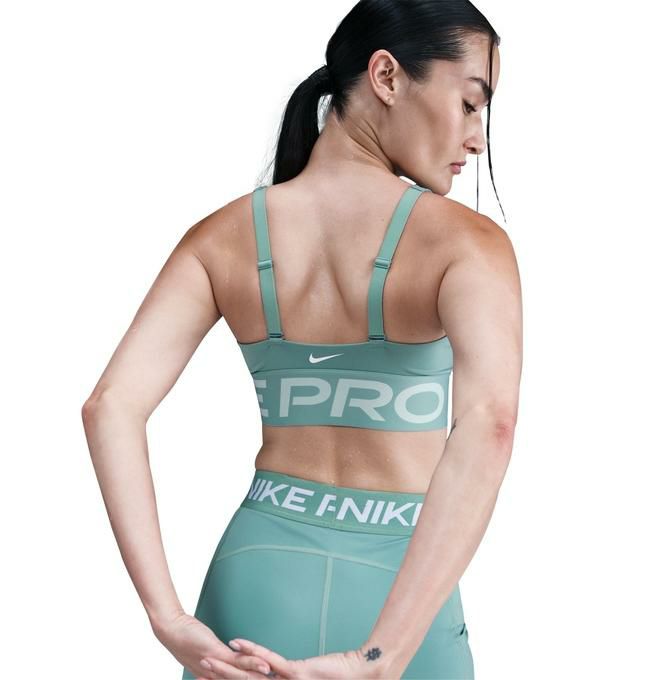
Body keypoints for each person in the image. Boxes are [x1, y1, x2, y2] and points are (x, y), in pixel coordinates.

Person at [81, 1, 521, 678]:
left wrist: (167, 617)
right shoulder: (467, 245)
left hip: (254, 581)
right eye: (469, 103)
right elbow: (490, 423)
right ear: (386, 76)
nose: (477, 138)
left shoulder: (221, 238)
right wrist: (382, 656)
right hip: (399, 595)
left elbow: (110, 405)